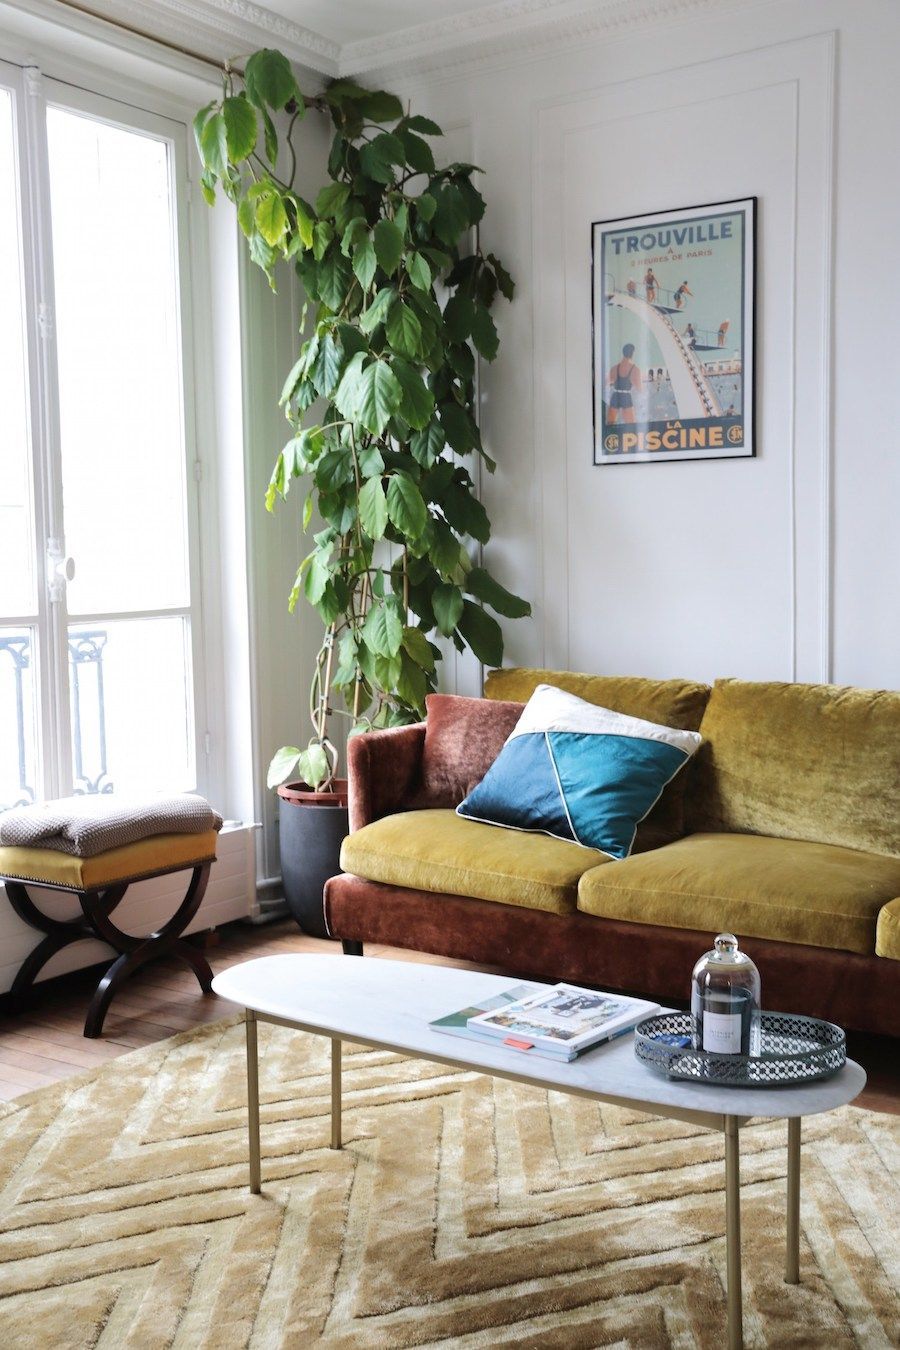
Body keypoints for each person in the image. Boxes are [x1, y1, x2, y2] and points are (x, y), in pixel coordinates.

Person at [606, 343, 642, 424]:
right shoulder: (635, 369)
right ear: (632, 354)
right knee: (631, 426)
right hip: (626, 397)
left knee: (610, 425)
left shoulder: (614, 368)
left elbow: (606, 383)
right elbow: (640, 389)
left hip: (615, 396)